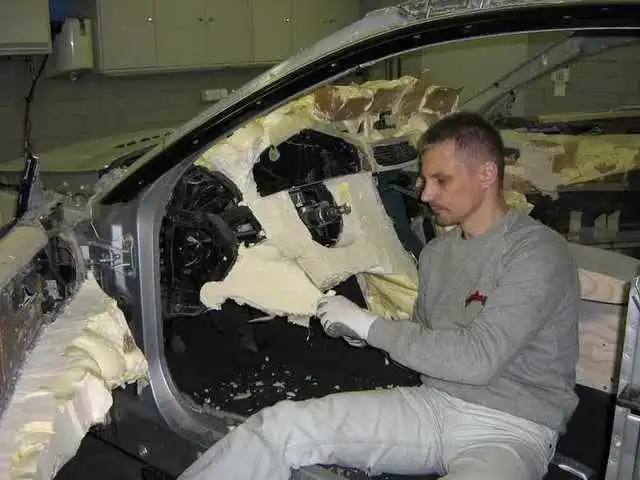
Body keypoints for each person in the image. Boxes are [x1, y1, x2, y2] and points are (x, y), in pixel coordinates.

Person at [178, 112, 580, 480]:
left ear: (487, 174)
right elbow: (425, 338)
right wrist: (359, 330)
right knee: (279, 427)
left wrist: (369, 325)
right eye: (424, 181)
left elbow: (477, 360)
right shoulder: (438, 254)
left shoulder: (536, 251)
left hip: (510, 428)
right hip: (433, 404)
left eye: (441, 181)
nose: (425, 195)